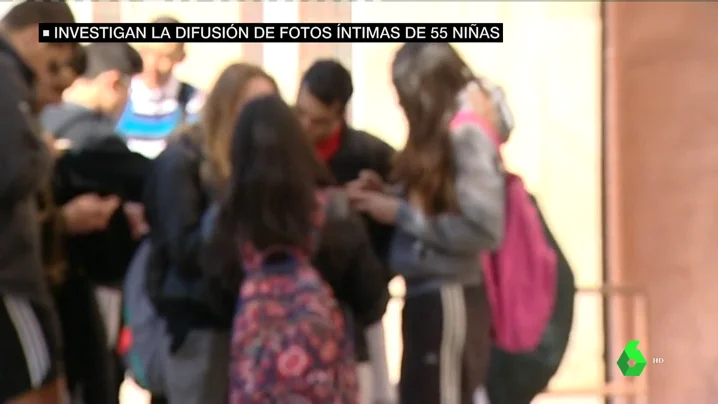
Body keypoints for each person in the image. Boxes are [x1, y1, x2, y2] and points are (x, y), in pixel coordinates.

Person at [348, 43, 506, 404]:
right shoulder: (441, 136)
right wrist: (389, 194)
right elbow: (439, 204)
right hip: (425, 295)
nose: (401, 105)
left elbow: (484, 229)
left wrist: (400, 214)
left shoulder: (467, 137)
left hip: (450, 295)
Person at [207, 94, 389, 403]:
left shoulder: (227, 220)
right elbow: (372, 299)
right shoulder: (332, 212)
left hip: (256, 378)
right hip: (327, 372)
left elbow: (216, 298)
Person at [142, 63, 277, 404]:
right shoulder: (183, 160)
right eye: (250, 108)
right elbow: (184, 249)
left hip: (250, 319)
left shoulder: (259, 163)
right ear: (226, 108)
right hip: (200, 321)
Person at [41, 42, 149, 404]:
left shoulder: (37, 122)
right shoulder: (97, 137)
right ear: (112, 82)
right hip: (86, 285)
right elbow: (150, 178)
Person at [296, 59, 396, 404]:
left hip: (357, 303)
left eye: (318, 120)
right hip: (297, 302)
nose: (306, 125)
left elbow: (399, 218)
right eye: (301, 113)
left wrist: (378, 276)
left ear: (339, 113)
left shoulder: (372, 154)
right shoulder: (284, 151)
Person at [0, 1, 81, 402]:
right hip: (9, 276)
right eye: (53, 65)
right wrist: (45, 152)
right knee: (38, 386)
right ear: (36, 34)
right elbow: (15, 169)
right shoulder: (5, 74)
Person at [116, 16, 203, 159]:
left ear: (181, 57)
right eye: (149, 53)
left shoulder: (192, 100)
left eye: (165, 57)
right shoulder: (120, 94)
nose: (153, 64)